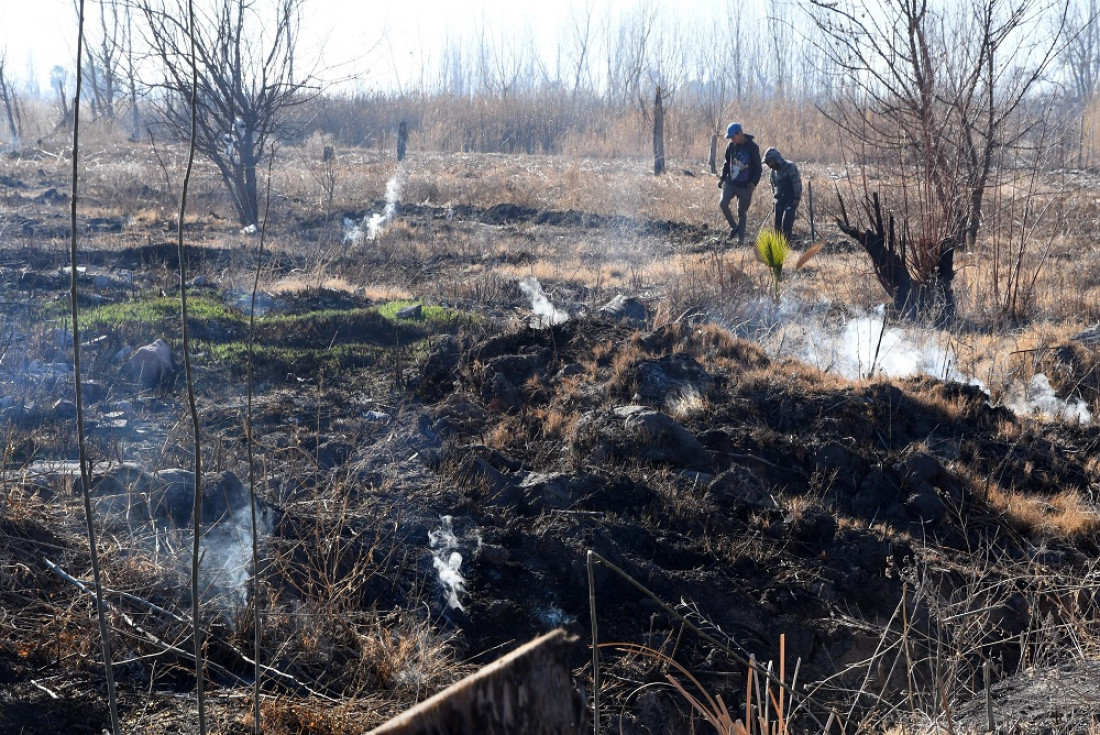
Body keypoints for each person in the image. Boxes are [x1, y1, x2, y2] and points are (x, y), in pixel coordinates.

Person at [717, 122, 762, 245]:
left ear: (740, 133)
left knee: (741, 212)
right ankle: (734, 227)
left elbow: (758, 168)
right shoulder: (730, 146)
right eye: (730, 137)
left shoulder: (753, 147)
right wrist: (722, 178)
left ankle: (740, 240)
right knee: (723, 203)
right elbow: (727, 163)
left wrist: (754, 183)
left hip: (746, 186)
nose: (731, 139)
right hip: (731, 183)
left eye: (733, 137)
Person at [763, 147, 802, 241]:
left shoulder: (790, 167)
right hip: (779, 200)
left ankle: (786, 245)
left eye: (771, 161)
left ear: (777, 159)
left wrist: (796, 198)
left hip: (790, 199)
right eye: (768, 162)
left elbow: (796, 183)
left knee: (787, 223)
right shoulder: (773, 172)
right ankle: (778, 246)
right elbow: (774, 187)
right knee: (777, 225)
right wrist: (774, 202)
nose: (770, 164)